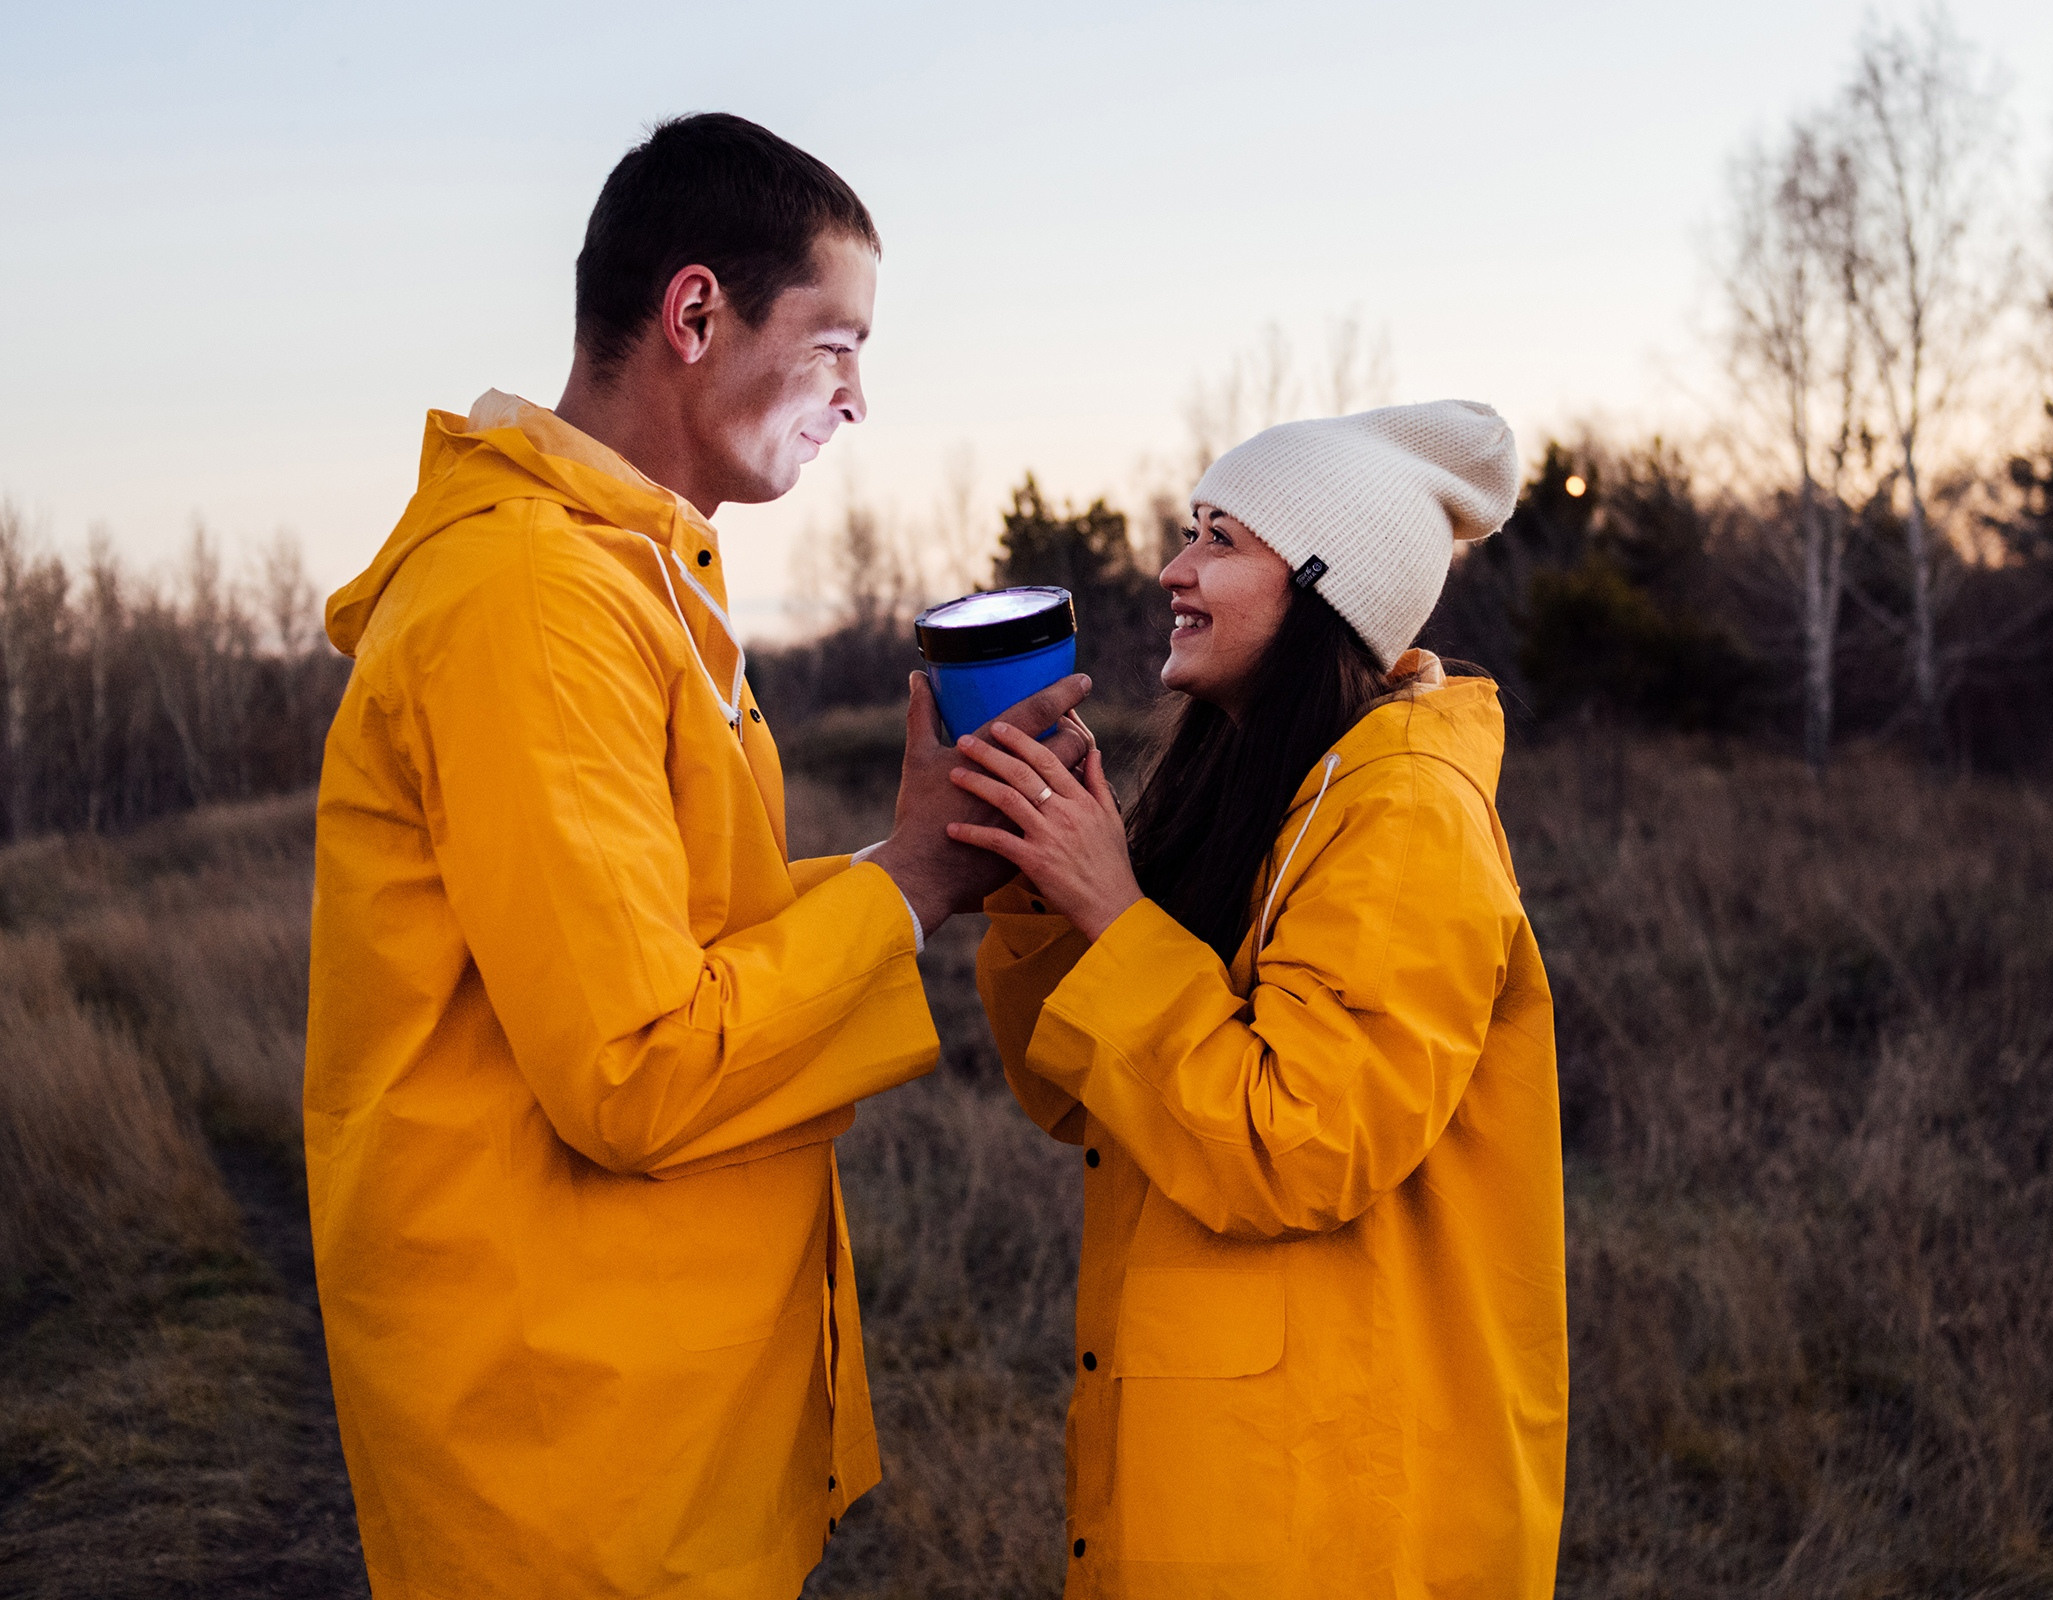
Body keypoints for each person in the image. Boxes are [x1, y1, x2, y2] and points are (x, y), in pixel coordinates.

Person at [304, 113, 1086, 1600]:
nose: (859, 400)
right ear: (695, 312)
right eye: (838, 342)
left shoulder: (631, 579)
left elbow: (676, 933)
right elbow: (638, 1063)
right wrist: (902, 888)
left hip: (657, 1415)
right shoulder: (533, 601)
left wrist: (925, 860)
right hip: (567, 1456)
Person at [957, 401, 1568, 1597]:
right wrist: (1038, 883)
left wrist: (1114, 913)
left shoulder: (1404, 815)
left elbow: (1296, 1142)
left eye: (1221, 540)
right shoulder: (1257, 788)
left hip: (1328, 1498)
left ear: (1325, 586)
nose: (1176, 571)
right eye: (1191, 532)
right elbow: (1075, 1094)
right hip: (1217, 1466)